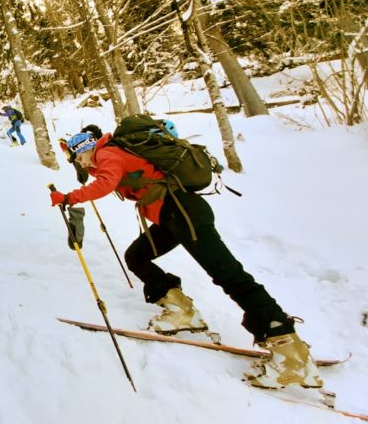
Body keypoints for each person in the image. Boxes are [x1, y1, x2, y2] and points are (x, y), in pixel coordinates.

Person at [49, 127, 323, 390]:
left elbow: (106, 183)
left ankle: (290, 353)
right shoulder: (111, 154)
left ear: (85, 149)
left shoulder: (108, 154)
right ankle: (183, 312)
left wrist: (69, 198)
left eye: (78, 157)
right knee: (137, 256)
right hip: (171, 217)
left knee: (228, 274)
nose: (80, 163)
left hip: (182, 213)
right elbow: (108, 177)